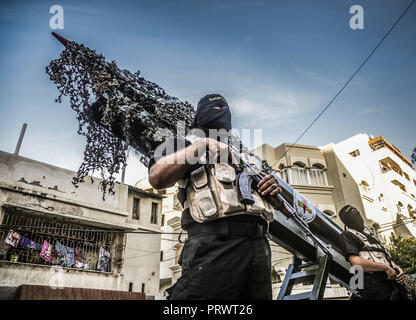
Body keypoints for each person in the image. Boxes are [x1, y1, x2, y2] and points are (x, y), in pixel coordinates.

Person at [148, 94, 288, 299]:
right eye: (213, 107)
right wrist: (201, 146)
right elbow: (156, 177)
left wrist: (270, 187)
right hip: (214, 243)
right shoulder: (185, 143)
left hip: (259, 246)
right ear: (199, 117)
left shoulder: (245, 156)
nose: (220, 110)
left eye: (224, 106)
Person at [338, 204, 407, 300]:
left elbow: (386, 258)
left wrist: (398, 269)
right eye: (352, 214)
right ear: (346, 221)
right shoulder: (347, 235)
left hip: (396, 287)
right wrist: (385, 268)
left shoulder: (372, 236)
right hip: (375, 289)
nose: (357, 216)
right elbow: (356, 262)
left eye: (357, 212)